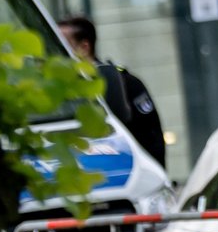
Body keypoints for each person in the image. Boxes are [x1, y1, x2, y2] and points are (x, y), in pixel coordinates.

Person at [57, 15, 168, 168]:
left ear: (84, 47)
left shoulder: (126, 84)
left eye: (61, 44)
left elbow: (150, 139)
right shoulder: (57, 89)